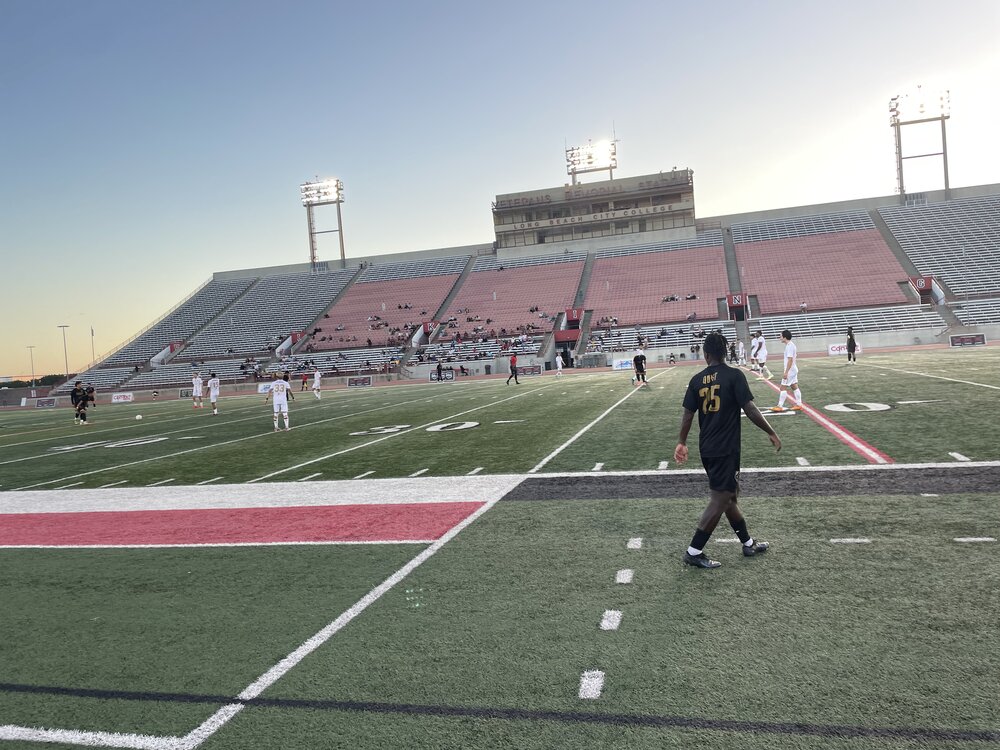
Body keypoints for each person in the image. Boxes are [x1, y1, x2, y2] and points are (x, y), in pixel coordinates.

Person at [674, 332, 781, 568]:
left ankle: (748, 542)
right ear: (724, 353)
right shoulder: (734, 375)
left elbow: (688, 415)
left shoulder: (696, 380)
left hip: (707, 447)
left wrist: (681, 441)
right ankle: (694, 551)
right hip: (726, 447)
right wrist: (770, 431)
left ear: (706, 354)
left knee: (729, 495)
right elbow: (750, 409)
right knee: (721, 497)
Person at [772, 329, 803, 412]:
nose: (780, 338)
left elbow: (790, 360)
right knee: (794, 386)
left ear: (785, 337)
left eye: (780, 336)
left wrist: (786, 372)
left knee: (782, 388)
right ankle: (799, 404)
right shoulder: (790, 345)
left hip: (790, 371)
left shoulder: (789, 346)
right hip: (793, 370)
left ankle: (779, 406)